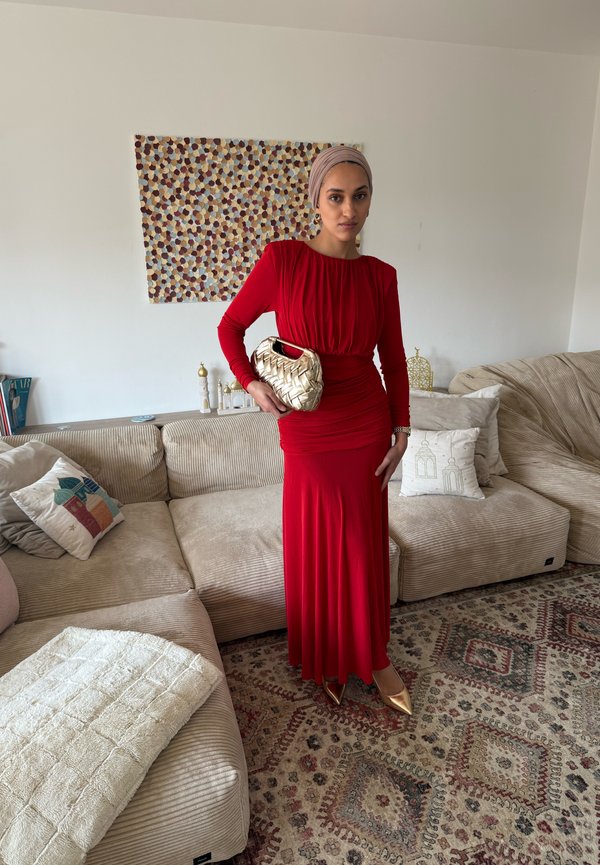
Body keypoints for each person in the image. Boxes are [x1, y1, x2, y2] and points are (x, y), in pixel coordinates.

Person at [217, 145, 412, 714]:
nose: (347, 209)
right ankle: (325, 654)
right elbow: (230, 326)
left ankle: (373, 655)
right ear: (317, 202)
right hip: (307, 427)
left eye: (359, 196)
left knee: (363, 543)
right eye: (336, 197)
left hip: (366, 422)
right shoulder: (283, 261)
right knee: (317, 539)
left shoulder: (382, 277)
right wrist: (251, 383)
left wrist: (402, 428)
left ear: (370, 202)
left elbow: (394, 361)